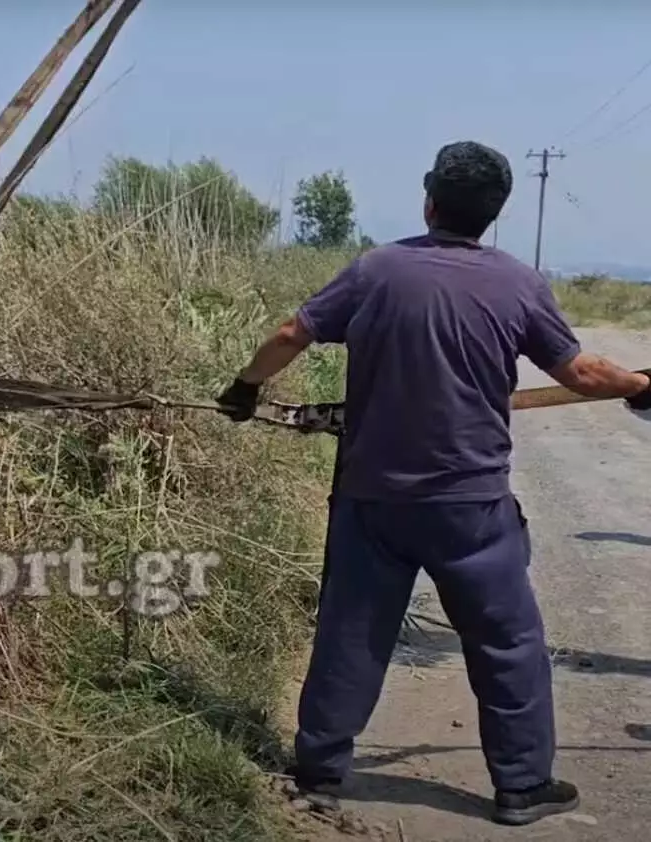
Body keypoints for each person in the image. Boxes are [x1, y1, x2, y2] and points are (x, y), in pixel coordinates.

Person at [214, 140, 651, 827]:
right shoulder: (518, 283)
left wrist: (244, 388)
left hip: (372, 499)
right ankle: (521, 786)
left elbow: (292, 332)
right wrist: (639, 387)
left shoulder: (376, 270)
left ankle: (320, 772)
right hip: (470, 508)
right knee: (508, 643)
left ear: (430, 200)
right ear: (494, 215)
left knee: (352, 632)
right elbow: (581, 373)